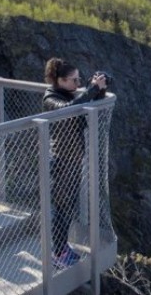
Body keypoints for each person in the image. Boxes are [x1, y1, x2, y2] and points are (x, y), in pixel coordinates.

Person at [42, 57, 107, 268]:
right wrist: (90, 90)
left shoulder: (67, 93)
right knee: (60, 209)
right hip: (61, 161)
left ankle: (61, 247)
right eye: (73, 80)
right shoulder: (51, 98)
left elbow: (88, 106)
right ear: (59, 80)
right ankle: (58, 253)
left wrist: (99, 90)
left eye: (79, 80)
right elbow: (68, 110)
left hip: (72, 159)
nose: (77, 85)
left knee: (67, 207)